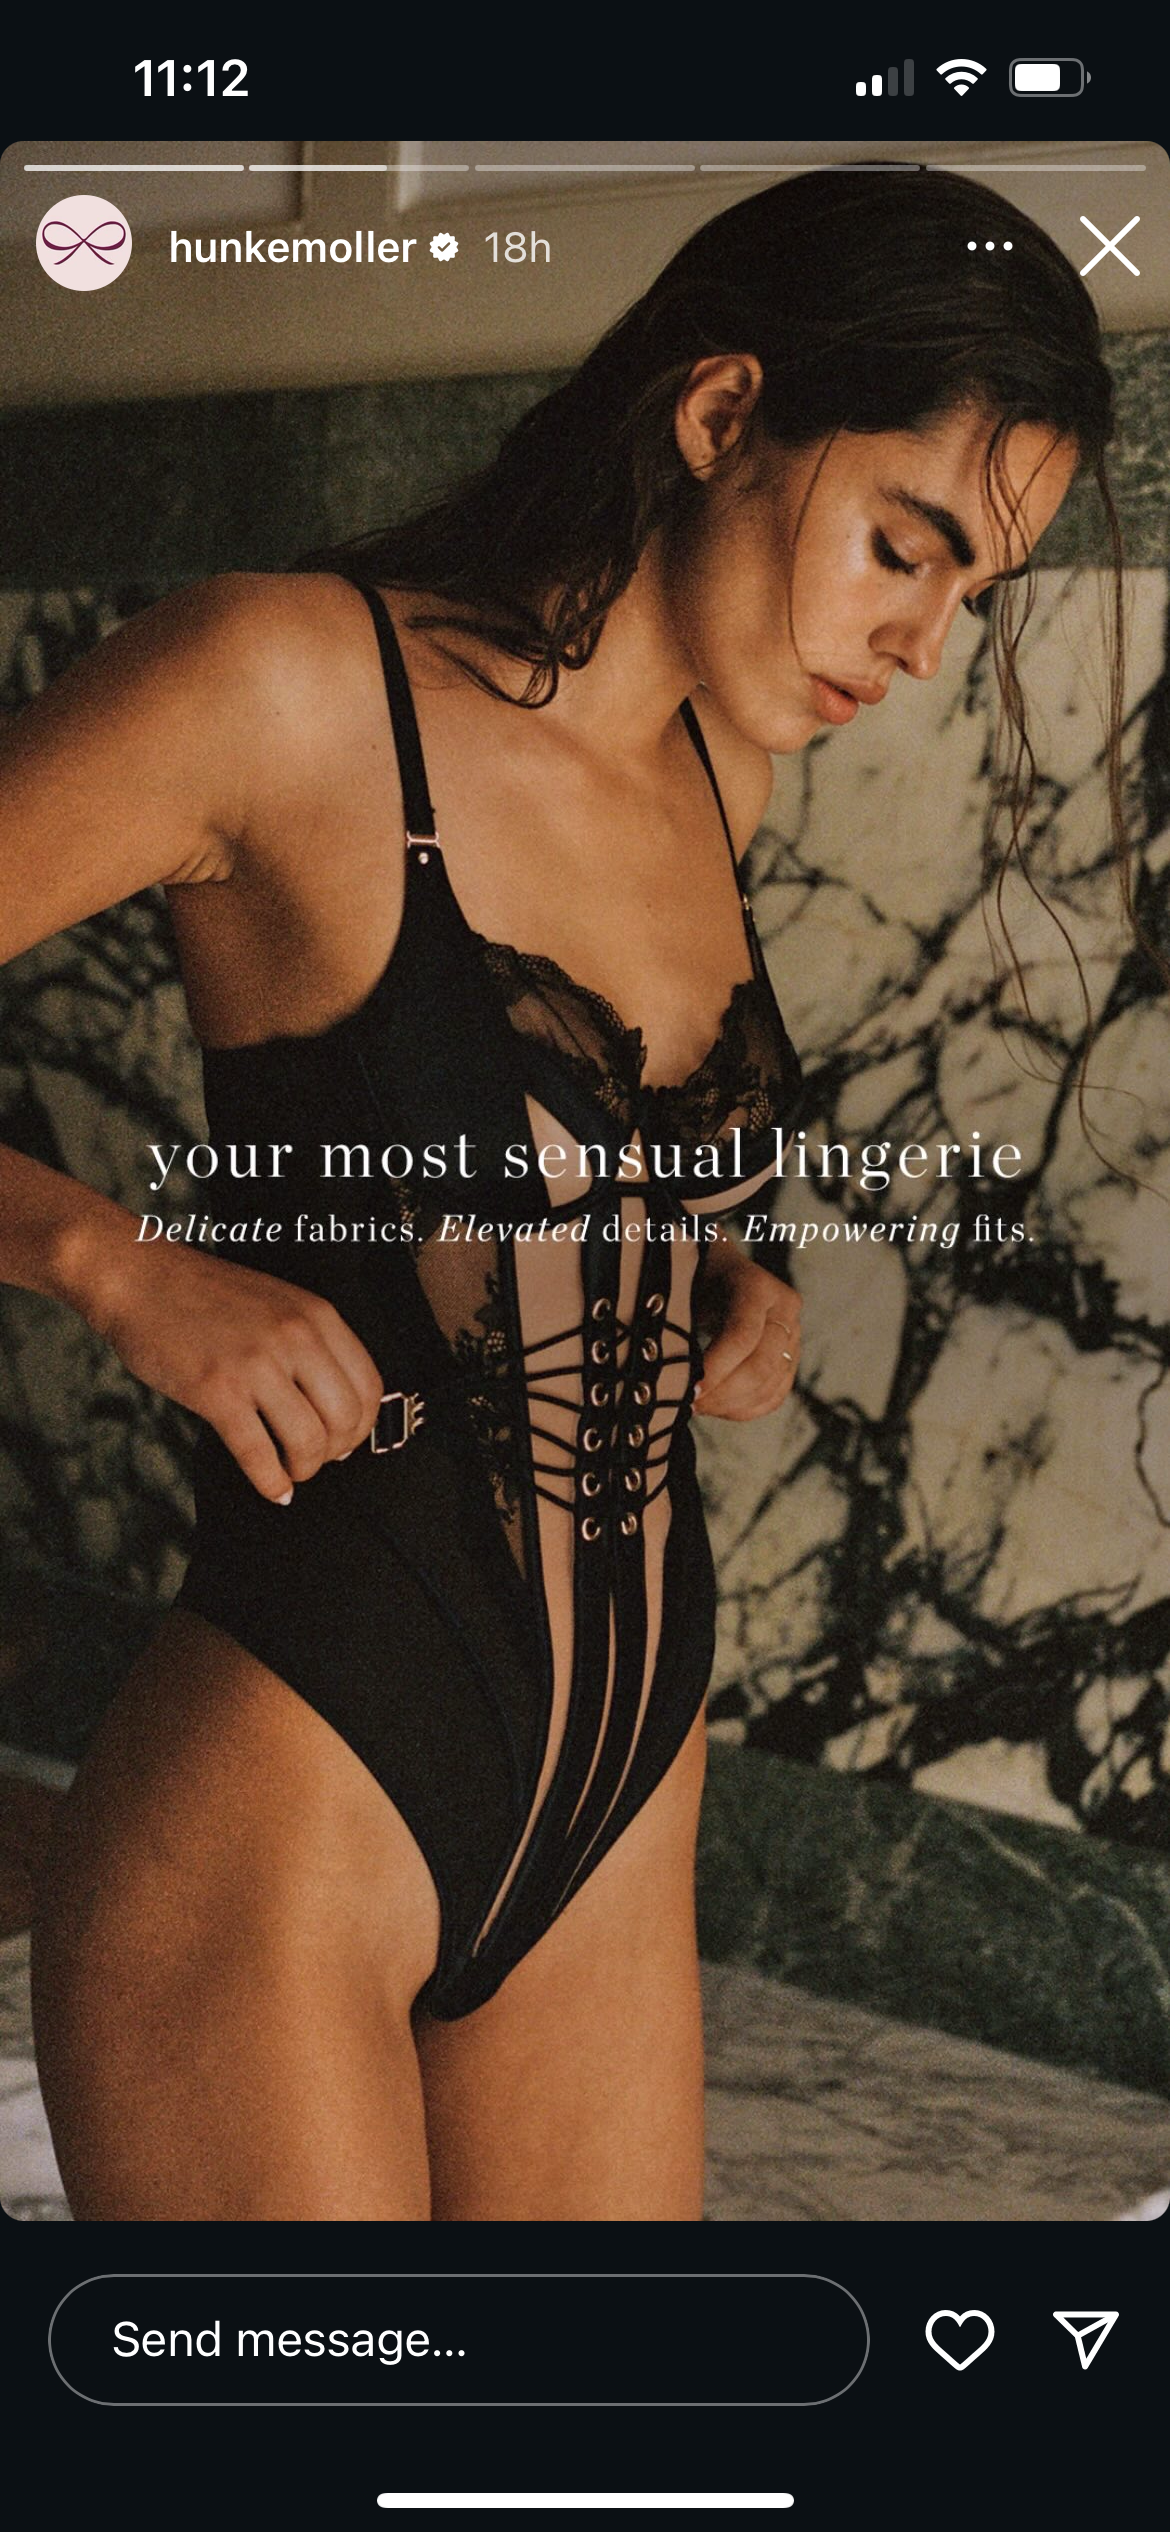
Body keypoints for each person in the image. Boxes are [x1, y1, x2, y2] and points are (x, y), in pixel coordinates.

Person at [1, 168, 1123, 2219]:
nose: (931, 641)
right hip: (298, 1791)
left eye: (979, 592)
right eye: (908, 546)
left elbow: (546, 1152)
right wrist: (111, 1263)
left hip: (619, 1809)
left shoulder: (725, 773)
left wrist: (719, 1276)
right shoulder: (280, 682)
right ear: (720, 418)